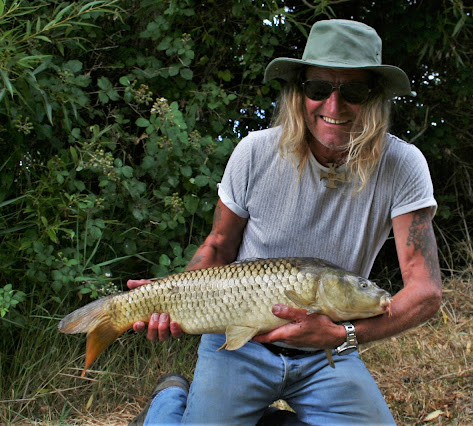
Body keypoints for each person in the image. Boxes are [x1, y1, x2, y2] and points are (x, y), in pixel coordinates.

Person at [128, 19, 442, 425]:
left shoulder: (403, 165)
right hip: (239, 346)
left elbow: (426, 291)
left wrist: (343, 335)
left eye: (354, 92)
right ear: (299, 92)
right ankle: (169, 399)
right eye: (318, 89)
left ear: (376, 98)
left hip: (328, 351)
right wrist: (171, 297)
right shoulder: (254, 152)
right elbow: (218, 245)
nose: (333, 106)